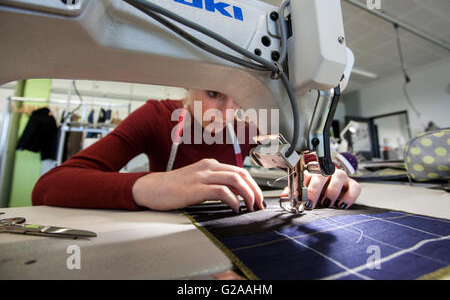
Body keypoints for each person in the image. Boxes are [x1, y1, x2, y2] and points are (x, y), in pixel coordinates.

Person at [32, 89, 361, 213]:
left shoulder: (247, 126)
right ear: (188, 81)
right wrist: (150, 186)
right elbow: (49, 186)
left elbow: (300, 159)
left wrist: (320, 173)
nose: (227, 111)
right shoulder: (156, 117)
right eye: (215, 93)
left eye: (239, 98)